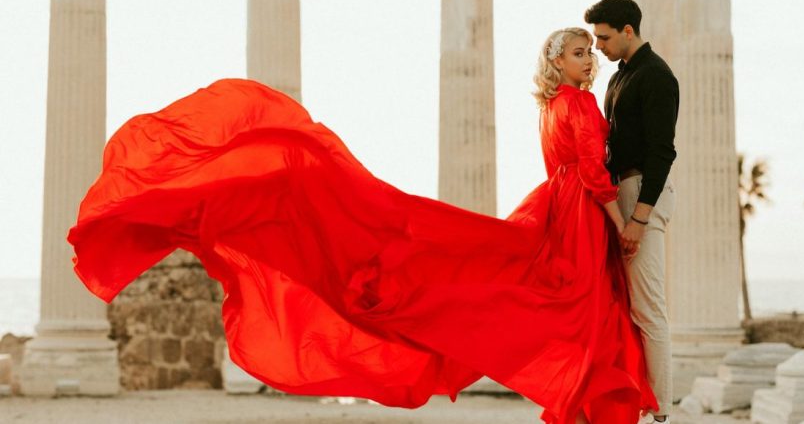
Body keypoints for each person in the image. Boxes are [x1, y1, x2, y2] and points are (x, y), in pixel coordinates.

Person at [68, 28, 656, 423]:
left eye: (592, 52)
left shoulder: (552, 106)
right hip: (579, 213)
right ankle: (593, 405)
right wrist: (622, 223)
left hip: (553, 207)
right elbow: (591, 174)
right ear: (558, 62)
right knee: (579, 306)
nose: (591, 61)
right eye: (581, 53)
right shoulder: (578, 106)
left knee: (536, 297)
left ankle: (582, 403)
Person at [585, 0, 679, 424]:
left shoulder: (658, 76)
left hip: (641, 191)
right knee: (625, 307)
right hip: (619, 190)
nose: (597, 47)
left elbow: (662, 153)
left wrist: (639, 217)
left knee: (648, 308)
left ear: (628, 31)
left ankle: (662, 415)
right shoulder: (619, 76)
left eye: (603, 38)